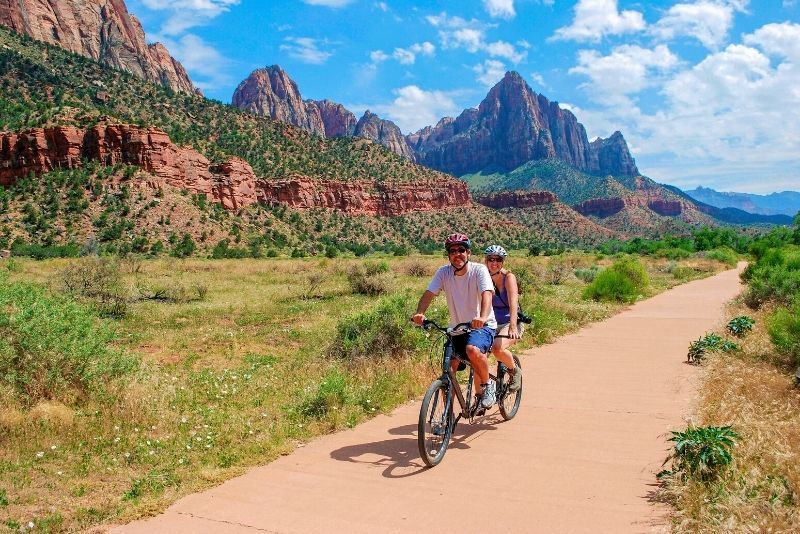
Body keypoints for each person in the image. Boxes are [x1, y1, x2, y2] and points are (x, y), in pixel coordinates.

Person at [412, 233, 498, 408]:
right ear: (448, 255)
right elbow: (429, 294)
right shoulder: (443, 273)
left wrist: (482, 317)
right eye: (452, 251)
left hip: (482, 326)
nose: (457, 254)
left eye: (461, 250)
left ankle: (488, 385)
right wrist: (420, 313)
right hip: (457, 329)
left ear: (468, 253)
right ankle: (447, 416)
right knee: (448, 370)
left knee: (472, 350)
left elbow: (487, 294)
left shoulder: (479, 270)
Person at [484, 245, 523, 392]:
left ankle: (514, 371)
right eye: (491, 259)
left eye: (498, 260)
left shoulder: (509, 277)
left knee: (497, 348)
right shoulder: (484, 277)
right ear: (486, 261)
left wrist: (513, 326)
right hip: (491, 323)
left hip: (509, 322)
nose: (494, 263)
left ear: (503, 262)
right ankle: (483, 393)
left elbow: (513, 303)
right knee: (478, 356)